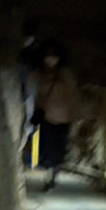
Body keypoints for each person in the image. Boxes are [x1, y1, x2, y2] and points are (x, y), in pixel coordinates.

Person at [32, 37, 80, 189]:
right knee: (47, 149)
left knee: (58, 149)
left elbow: (72, 96)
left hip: (63, 118)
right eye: (47, 57)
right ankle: (49, 175)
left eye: (52, 57)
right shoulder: (41, 74)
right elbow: (38, 95)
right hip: (47, 117)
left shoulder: (65, 74)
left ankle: (52, 173)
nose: (50, 60)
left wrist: (74, 118)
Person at [18, 19, 41, 159]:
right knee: (30, 124)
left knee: (32, 124)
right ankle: (33, 157)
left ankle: (34, 157)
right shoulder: (26, 53)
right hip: (27, 93)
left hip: (30, 93)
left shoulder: (31, 55)